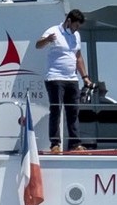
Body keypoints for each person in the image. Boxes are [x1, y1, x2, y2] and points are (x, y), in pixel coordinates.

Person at [35, 9, 92, 153]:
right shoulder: (53, 31)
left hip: (72, 79)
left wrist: (85, 77)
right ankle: (55, 144)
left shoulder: (76, 36)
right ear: (69, 21)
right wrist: (47, 40)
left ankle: (75, 144)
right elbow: (38, 45)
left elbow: (78, 57)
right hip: (55, 78)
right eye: (76, 25)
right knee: (56, 110)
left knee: (73, 111)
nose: (77, 28)